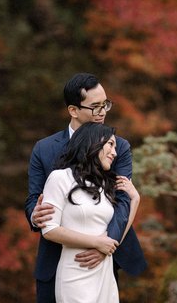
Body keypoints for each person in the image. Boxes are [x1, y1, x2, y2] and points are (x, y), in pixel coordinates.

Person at [25, 73, 146, 303]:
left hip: (100, 258)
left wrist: (104, 245)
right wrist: (35, 214)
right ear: (73, 110)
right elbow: (34, 198)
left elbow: (121, 200)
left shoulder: (117, 145)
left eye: (105, 105)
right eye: (95, 107)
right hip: (54, 257)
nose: (102, 112)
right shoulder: (44, 148)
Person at [41, 122, 140, 303]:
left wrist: (135, 200)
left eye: (116, 147)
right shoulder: (59, 178)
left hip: (104, 273)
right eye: (110, 144)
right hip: (76, 273)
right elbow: (49, 230)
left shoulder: (103, 185)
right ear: (92, 142)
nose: (115, 152)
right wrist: (96, 243)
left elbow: (113, 239)